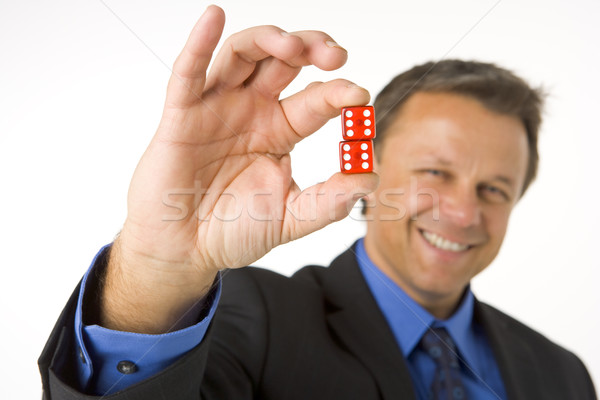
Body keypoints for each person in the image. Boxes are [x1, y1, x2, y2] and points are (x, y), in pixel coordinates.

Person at [39, 5, 596, 400]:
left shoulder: (564, 374)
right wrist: (158, 268)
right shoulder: (253, 320)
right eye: (434, 172)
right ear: (367, 164)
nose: (461, 212)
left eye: (493, 190)